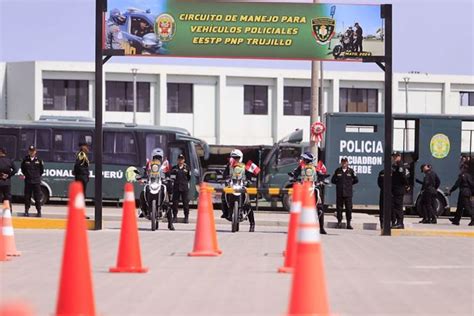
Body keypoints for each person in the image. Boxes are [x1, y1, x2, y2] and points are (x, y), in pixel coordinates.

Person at [288, 152, 327, 234]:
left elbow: (320, 175)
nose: (304, 160)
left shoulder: (314, 168)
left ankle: (321, 228)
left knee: (320, 208)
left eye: (305, 159)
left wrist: (322, 179)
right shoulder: (301, 167)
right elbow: (294, 173)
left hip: (313, 188)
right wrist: (293, 177)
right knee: (300, 208)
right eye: (304, 159)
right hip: (304, 189)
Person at [220, 149, 256, 232]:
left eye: (237, 158)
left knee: (248, 204)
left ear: (240, 158)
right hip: (231, 185)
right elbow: (224, 175)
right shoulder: (229, 166)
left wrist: (249, 180)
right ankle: (225, 213)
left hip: (242, 185)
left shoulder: (245, 166)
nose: (235, 159)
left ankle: (252, 224)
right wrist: (225, 178)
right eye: (234, 157)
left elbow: (250, 175)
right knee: (223, 195)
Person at [139, 148, 174, 230]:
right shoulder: (149, 164)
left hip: (161, 182)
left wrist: (169, 178)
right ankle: (142, 209)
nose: (157, 159)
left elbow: (169, 173)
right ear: (153, 157)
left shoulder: (165, 164)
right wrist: (142, 178)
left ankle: (170, 224)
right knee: (142, 193)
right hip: (151, 182)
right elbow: (145, 173)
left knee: (167, 202)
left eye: (159, 157)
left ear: (162, 158)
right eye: (156, 157)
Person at [331, 158, 359, 229]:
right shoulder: (338, 170)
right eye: (342, 162)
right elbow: (333, 180)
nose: (344, 163)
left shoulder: (351, 171)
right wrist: (339, 184)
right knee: (339, 208)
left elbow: (356, 180)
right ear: (341, 163)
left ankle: (348, 223)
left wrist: (349, 184)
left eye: (345, 162)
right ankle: (339, 222)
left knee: (348, 208)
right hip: (340, 192)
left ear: (347, 163)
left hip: (348, 193)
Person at [20, 146, 44, 217]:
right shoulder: (25, 160)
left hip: (36, 182)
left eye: (33, 151)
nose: (32, 152)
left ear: (35, 152)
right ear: (28, 151)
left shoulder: (39, 160)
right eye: (30, 151)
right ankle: (26, 211)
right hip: (28, 181)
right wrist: (27, 176)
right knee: (27, 197)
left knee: (37, 197)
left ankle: (39, 211)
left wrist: (36, 177)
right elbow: (23, 170)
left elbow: (41, 171)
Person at [170, 154, 191, 224]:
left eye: (182, 159)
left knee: (185, 203)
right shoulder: (174, 168)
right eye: (179, 159)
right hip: (176, 187)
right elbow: (172, 178)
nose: (180, 160)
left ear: (184, 160)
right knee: (175, 203)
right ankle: (175, 217)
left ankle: (186, 217)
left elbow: (189, 177)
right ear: (177, 160)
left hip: (184, 187)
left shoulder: (187, 168)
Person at [391, 152, 409, 229]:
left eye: (396, 156)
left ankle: (400, 223)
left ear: (399, 157)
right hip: (396, 189)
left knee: (398, 206)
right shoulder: (395, 165)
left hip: (399, 188)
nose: (394, 158)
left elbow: (403, 177)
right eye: (393, 157)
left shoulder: (400, 165)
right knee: (396, 206)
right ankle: (398, 222)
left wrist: (406, 185)